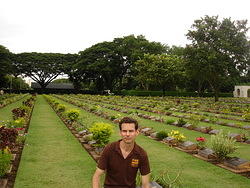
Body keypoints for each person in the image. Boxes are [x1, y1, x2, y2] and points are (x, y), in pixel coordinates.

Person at [92, 117, 150, 188]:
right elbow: (97, 176)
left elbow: (145, 184)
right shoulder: (110, 149)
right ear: (120, 133)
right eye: (124, 131)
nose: (127, 134)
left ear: (136, 132)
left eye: (131, 131)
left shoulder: (141, 154)